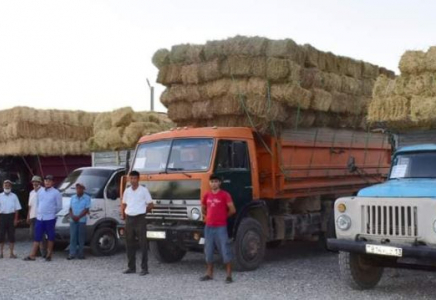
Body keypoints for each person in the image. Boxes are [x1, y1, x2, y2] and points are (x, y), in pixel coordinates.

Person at [200, 174, 236, 284]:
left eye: (216, 181)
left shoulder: (225, 195)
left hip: (221, 227)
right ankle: (209, 273)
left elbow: (232, 210)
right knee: (208, 250)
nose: (214, 183)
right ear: (209, 183)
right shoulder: (207, 195)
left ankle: (229, 275)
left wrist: (224, 216)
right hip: (209, 226)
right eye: (212, 182)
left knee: (225, 249)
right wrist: (207, 216)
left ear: (219, 183)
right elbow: (203, 208)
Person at [121, 170, 153, 276]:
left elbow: (151, 204)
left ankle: (144, 268)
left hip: (140, 219)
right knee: (129, 243)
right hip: (129, 219)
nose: (133, 180)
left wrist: (143, 212)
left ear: (138, 179)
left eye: (135, 178)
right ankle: (131, 267)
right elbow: (124, 204)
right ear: (129, 179)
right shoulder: (127, 191)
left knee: (142, 244)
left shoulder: (143, 190)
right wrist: (124, 215)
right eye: (131, 178)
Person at [24, 175, 62, 262]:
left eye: (49, 180)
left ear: (53, 182)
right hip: (40, 217)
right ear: (44, 182)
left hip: (50, 218)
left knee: (50, 236)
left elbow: (59, 207)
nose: (47, 182)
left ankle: (49, 254)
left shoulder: (56, 193)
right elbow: (37, 204)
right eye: (46, 180)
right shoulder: (40, 192)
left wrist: (51, 212)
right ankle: (32, 255)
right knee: (37, 236)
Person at [67, 182, 91, 260]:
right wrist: (72, 216)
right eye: (77, 188)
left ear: (83, 189)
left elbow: (86, 209)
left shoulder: (87, 198)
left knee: (81, 237)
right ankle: (72, 253)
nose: (78, 190)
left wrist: (79, 217)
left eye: (80, 188)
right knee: (73, 237)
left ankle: (81, 253)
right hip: (73, 220)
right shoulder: (73, 197)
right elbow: (70, 208)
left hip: (81, 220)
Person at [0, 180, 22, 258]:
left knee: (11, 236)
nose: (7, 186)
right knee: (1, 235)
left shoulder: (14, 196)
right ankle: (1, 253)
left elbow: (17, 209)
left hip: (11, 217)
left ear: (11, 186)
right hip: (2, 217)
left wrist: (15, 219)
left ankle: (11, 253)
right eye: (5, 184)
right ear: (3, 186)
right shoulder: (0, 196)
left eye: (8, 185)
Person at [27, 175, 47, 257]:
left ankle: (44, 252)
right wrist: (28, 216)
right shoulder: (31, 193)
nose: (34, 183)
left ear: (40, 183)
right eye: (33, 182)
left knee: (41, 234)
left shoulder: (44, 191)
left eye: (36, 182)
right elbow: (30, 205)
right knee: (32, 234)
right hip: (32, 216)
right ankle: (37, 251)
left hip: (41, 216)